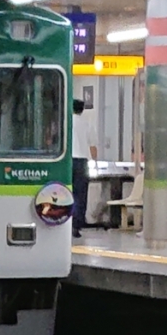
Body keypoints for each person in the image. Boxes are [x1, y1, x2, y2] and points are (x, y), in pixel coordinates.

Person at [71, 99, 97, 238]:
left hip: (67, 161)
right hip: (82, 162)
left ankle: (65, 223)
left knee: (66, 193)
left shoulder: (66, 122)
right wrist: (94, 163)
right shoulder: (87, 124)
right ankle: (77, 225)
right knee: (80, 195)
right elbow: (93, 146)